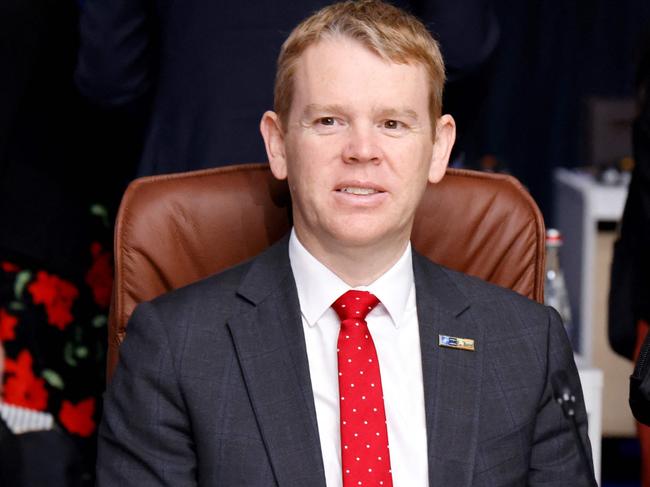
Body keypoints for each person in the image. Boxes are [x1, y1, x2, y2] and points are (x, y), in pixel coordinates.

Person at [97, 2, 594, 486]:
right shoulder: (173, 349)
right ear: (278, 144)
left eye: (392, 124)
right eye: (329, 121)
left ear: (439, 148)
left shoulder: (529, 345)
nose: (361, 151)